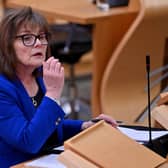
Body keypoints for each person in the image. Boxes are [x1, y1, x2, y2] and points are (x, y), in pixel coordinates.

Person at [0, 7, 117, 167]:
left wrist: (85, 126)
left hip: (48, 159)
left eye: (42, 37)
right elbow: (28, 141)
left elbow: (49, 125)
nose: (39, 44)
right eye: (27, 38)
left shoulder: (39, 74)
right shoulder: (3, 89)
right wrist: (53, 94)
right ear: (7, 45)